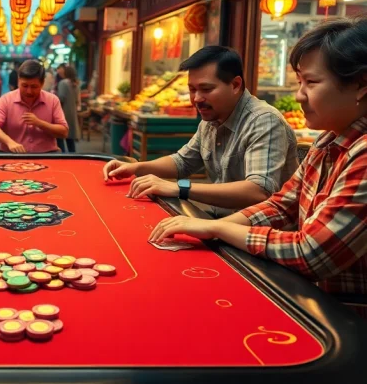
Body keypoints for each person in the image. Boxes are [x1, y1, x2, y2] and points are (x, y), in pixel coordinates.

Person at [149, 18, 367, 317]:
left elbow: (311, 253)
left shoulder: (361, 153)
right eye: (299, 82)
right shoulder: (328, 140)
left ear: (361, 85)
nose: (300, 94)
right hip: (305, 290)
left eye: (311, 82)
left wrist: (215, 226)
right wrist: (217, 228)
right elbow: (282, 205)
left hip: (344, 318)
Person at [103, 46, 298, 216]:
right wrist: (135, 167)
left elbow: (258, 191)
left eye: (206, 89)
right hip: (221, 220)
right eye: (192, 89)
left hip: (259, 235)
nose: (196, 98)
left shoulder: (263, 121)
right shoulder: (211, 118)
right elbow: (182, 162)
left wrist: (179, 188)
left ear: (235, 85)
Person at [0, 60, 68, 153]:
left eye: (34, 87)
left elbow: (64, 132)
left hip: (46, 155)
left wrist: (39, 123)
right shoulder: (6, 100)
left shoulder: (52, 100)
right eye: (24, 86)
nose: (29, 91)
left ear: (42, 84)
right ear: (18, 81)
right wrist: (10, 142)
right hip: (11, 155)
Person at [57, 65, 79, 153]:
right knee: (70, 140)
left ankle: (62, 157)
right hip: (72, 112)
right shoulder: (75, 84)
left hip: (63, 112)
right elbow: (77, 100)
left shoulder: (63, 83)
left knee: (60, 137)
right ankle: (73, 158)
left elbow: (61, 98)